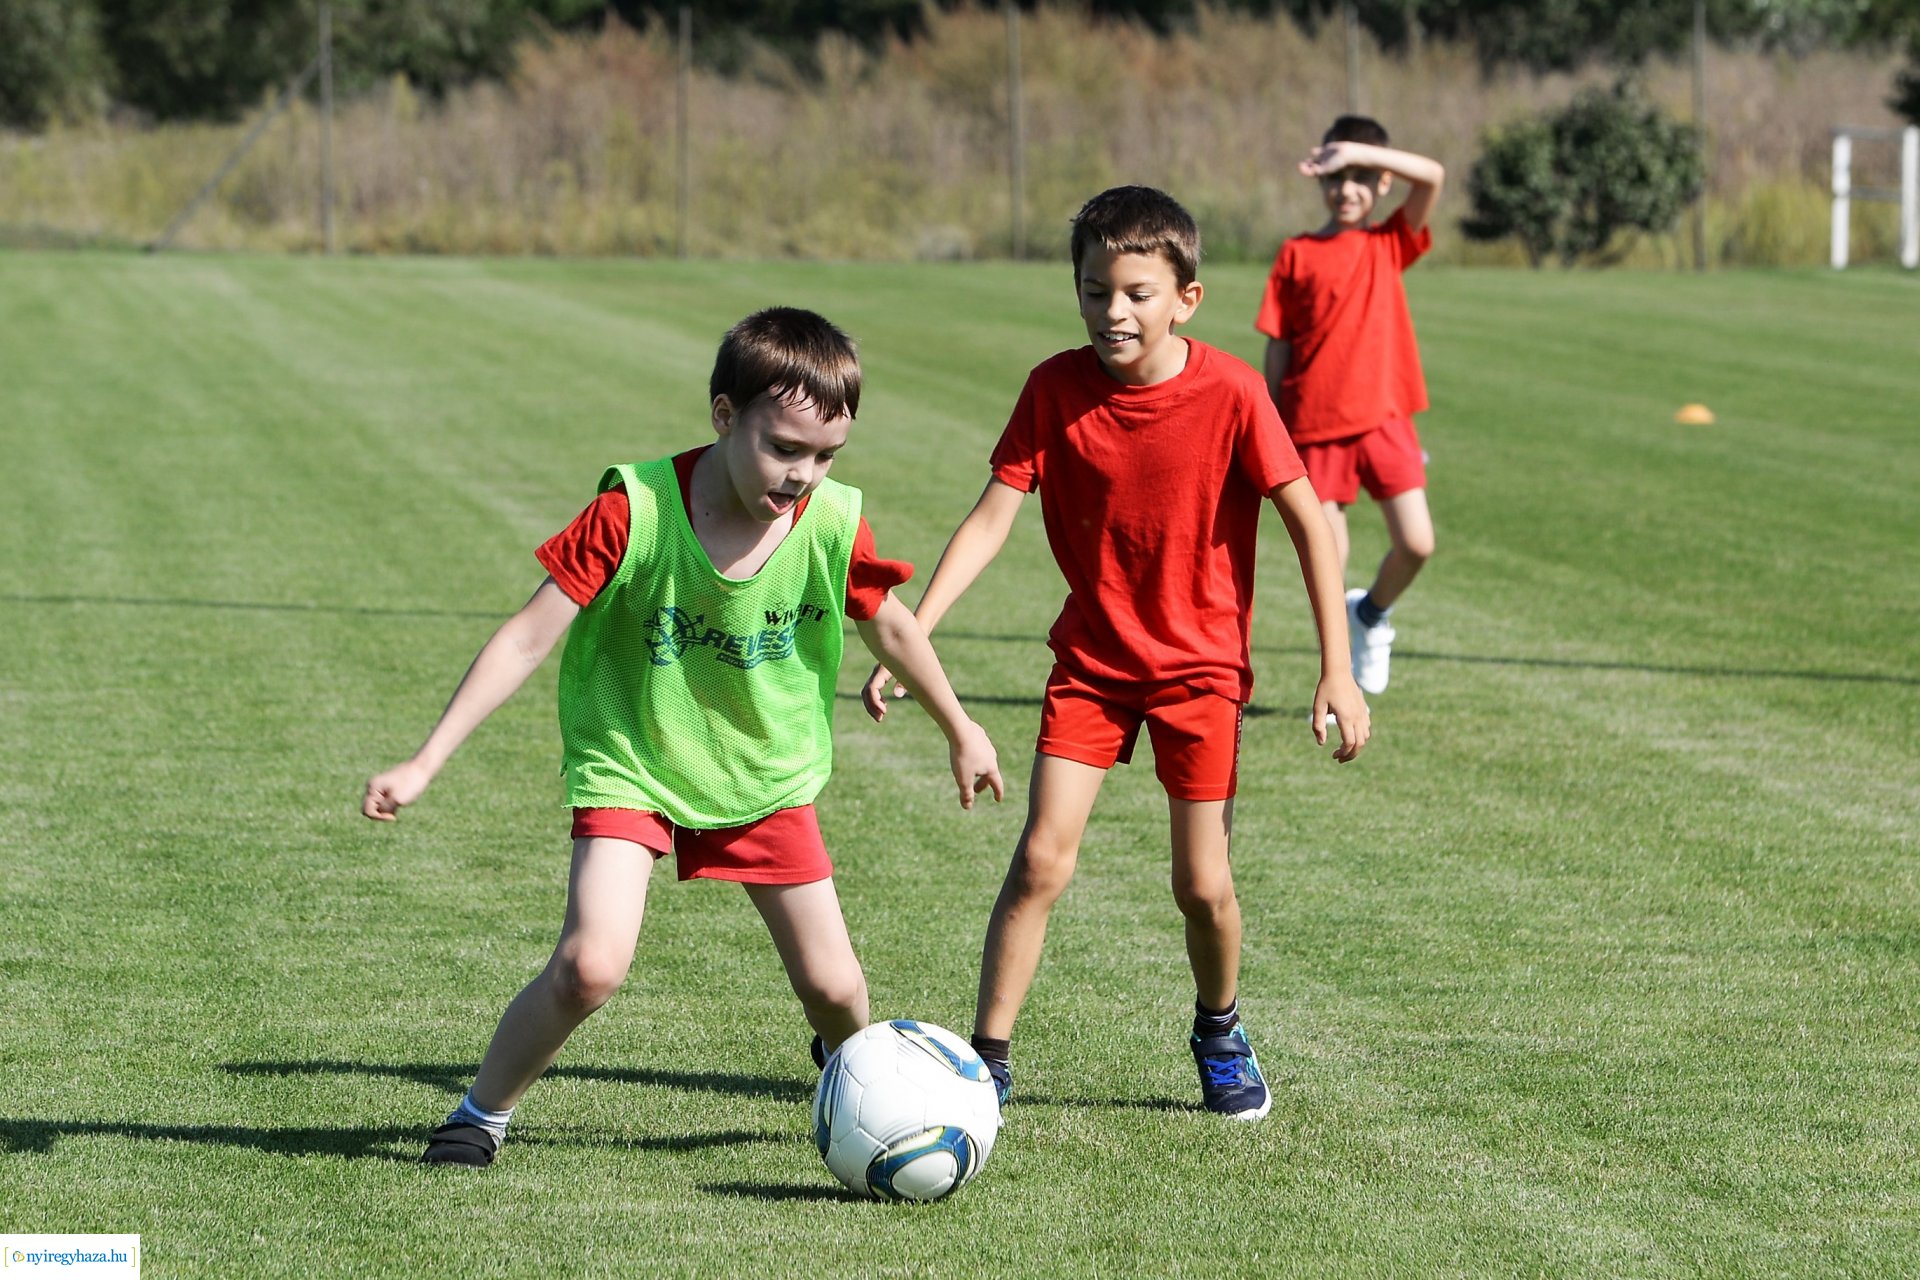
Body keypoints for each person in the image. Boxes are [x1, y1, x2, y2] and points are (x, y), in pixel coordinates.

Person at [363, 307, 1004, 1167]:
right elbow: (526, 636)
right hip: (634, 757)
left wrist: (959, 726)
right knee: (590, 965)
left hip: (761, 769)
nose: (802, 475)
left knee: (837, 988)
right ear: (723, 415)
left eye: (825, 456)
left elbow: (890, 626)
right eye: (784, 448)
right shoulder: (635, 511)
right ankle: (480, 1114)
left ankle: (863, 1088)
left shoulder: (830, 522)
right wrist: (426, 759)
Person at [863, 186, 1370, 1121]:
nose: (1113, 311)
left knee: (1202, 885)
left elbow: (1310, 524)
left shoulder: (1231, 392)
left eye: (1136, 292)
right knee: (1041, 863)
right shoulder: (1054, 388)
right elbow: (989, 521)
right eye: (1095, 290)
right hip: (1092, 666)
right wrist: (916, 630)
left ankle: (1219, 1029)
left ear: (1187, 298)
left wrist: (1336, 665)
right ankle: (987, 1065)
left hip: (1201, 672)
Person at [1255, 115, 1445, 696]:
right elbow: (1277, 348)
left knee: (1417, 544)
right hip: (1312, 424)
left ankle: (1372, 616)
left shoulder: (1388, 243)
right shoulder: (1296, 254)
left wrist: (1354, 153)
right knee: (1327, 558)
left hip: (1386, 420)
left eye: (1362, 178)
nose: (1347, 191)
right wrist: (1273, 429)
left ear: (1382, 182)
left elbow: (1433, 176)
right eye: (1336, 180)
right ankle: (1339, 685)